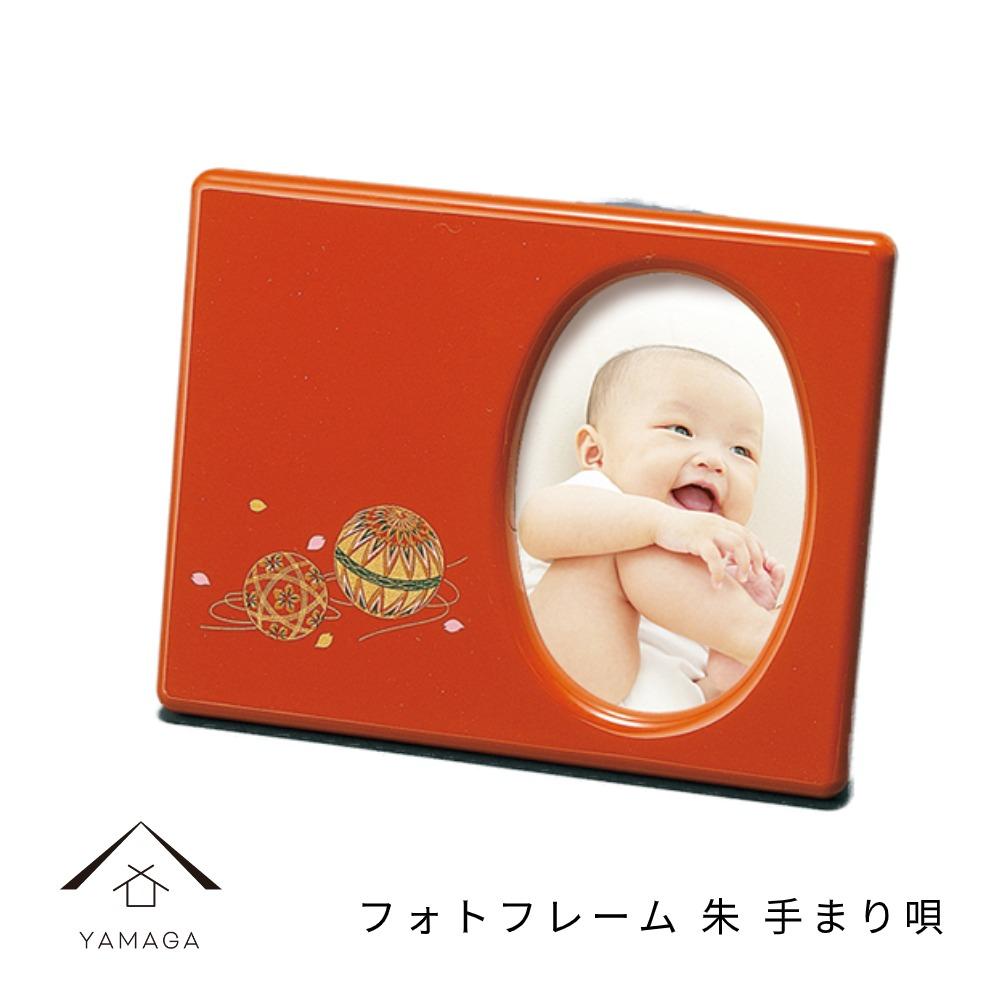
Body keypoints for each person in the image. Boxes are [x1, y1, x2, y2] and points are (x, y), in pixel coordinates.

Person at [518, 345, 785, 712]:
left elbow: (695, 676)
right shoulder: (596, 497)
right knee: (632, 538)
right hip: (563, 685)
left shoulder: (714, 564)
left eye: (741, 451)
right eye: (681, 430)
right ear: (595, 453)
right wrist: (661, 524)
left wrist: (723, 670)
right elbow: (534, 523)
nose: (715, 461)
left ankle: (751, 642)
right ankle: (763, 638)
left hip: (663, 718)